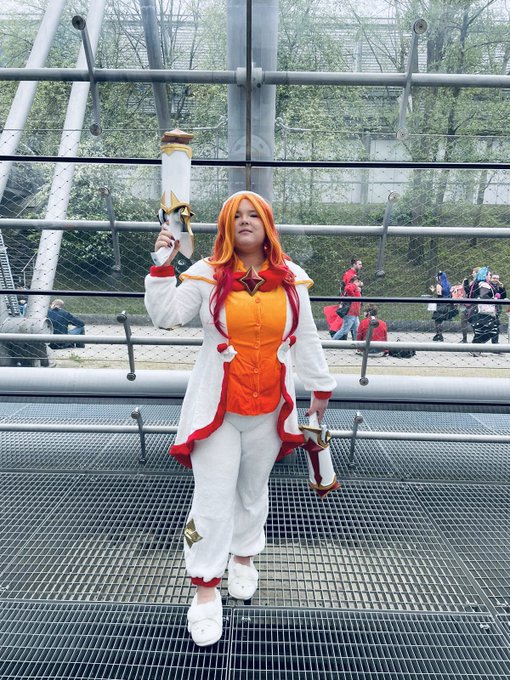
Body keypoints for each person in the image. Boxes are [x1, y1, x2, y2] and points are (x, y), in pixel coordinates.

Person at [144, 191, 336, 647]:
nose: (245, 222)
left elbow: (307, 336)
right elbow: (166, 316)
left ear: (267, 225)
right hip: (218, 410)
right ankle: (205, 587)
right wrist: (161, 265)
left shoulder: (292, 278)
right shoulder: (205, 274)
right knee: (212, 498)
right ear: (225, 227)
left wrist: (320, 389)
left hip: (270, 408)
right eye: (237, 216)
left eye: (254, 215)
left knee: (252, 489)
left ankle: (244, 557)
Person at [471, 268, 498, 354]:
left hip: (484, 311)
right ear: (485, 275)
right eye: (489, 275)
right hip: (485, 311)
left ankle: (476, 348)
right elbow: (483, 295)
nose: (490, 276)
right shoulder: (484, 284)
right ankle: (475, 348)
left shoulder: (482, 284)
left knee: (489, 330)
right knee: (487, 330)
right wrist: (493, 299)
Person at [332, 275, 362, 340]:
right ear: (354, 281)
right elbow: (348, 288)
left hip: (355, 313)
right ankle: (332, 341)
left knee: (356, 330)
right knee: (344, 330)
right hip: (350, 313)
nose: (359, 283)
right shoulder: (351, 286)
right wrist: (355, 286)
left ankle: (356, 343)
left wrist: (356, 289)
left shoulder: (355, 288)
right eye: (357, 281)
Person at [431, 271, 457, 342]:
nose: (436, 278)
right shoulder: (448, 284)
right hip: (447, 303)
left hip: (441, 304)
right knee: (440, 320)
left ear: (440, 277)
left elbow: (439, 294)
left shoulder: (439, 284)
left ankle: (439, 335)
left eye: (437, 276)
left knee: (437, 320)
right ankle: (438, 335)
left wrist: (434, 291)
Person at [460, 266, 481, 342]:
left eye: (473, 272)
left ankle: (476, 340)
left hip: (475, 304)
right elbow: (469, 292)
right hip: (470, 304)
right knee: (464, 320)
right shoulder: (473, 281)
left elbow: (475, 293)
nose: (472, 274)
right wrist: (466, 283)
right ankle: (464, 339)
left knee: (474, 322)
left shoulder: (479, 282)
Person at [490, 273, 507, 344]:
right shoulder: (488, 285)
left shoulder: (499, 287)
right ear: (491, 278)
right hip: (488, 308)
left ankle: (495, 342)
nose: (495, 280)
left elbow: (504, 296)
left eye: (497, 278)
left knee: (496, 325)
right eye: (494, 278)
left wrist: (502, 287)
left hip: (497, 308)